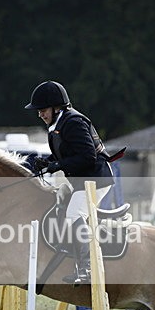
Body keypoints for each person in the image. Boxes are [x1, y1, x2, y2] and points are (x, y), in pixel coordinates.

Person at [25, 80, 114, 285]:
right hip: (81, 181)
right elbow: (66, 154)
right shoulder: (58, 124)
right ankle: (65, 251)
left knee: (75, 213)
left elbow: (87, 157)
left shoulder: (73, 122)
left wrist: (56, 165)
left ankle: (87, 268)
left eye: (43, 110)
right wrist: (46, 162)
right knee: (58, 198)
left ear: (57, 108)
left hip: (97, 180)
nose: (40, 114)